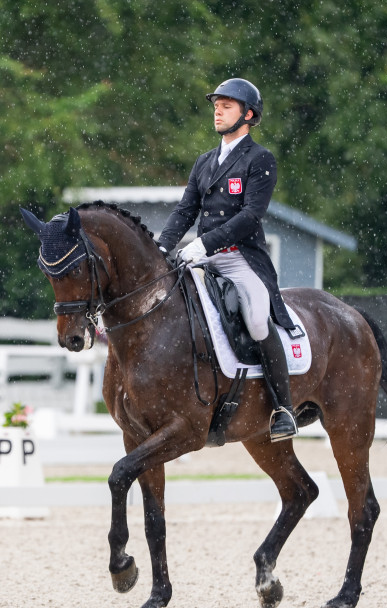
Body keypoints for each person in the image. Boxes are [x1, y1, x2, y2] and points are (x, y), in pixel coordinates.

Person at [158, 78, 298, 442]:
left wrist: (205, 243)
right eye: (216, 105)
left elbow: (251, 215)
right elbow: (185, 210)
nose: (217, 111)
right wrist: (162, 247)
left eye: (227, 105)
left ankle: (284, 408)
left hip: (240, 259)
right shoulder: (205, 162)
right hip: (203, 259)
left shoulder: (259, 159)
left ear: (248, 115)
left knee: (254, 319)